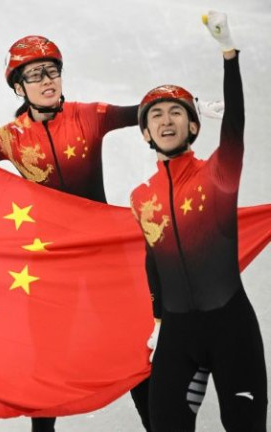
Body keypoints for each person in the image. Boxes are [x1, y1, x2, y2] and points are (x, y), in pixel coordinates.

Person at [0, 34, 154, 432]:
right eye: (35, 74)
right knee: (49, 360)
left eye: (52, 70)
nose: (47, 79)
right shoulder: (8, 138)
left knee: (129, 348)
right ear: (18, 87)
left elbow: (141, 111)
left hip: (102, 257)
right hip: (48, 263)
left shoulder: (89, 115)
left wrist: (177, 103)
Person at [130, 11, 267, 431]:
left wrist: (229, 55)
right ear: (146, 134)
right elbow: (154, 259)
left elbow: (236, 125)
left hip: (231, 329)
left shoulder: (219, 173)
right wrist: (156, 319)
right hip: (177, 333)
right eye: (156, 116)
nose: (165, 121)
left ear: (193, 126)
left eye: (176, 113)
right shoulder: (141, 196)